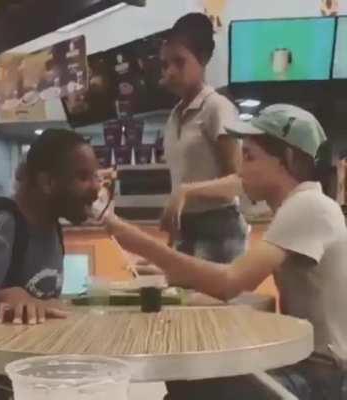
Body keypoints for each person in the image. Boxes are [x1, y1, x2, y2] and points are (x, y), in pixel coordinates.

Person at [106, 104, 347, 399]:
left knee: (190, 383)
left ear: (288, 159)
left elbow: (229, 282)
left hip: (318, 379)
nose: (241, 169)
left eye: (249, 156)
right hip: (307, 367)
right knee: (186, 382)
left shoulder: (307, 206)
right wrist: (172, 274)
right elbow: (242, 282)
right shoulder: (301, 206)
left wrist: (139, 241)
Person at [0, 129, 100, 398]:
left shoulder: (52, 227)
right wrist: (5, 297)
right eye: (83, 177)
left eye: (95, 176)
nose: (97, 187)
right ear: (48, 182)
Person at [160, 12, 247, 263]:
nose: (171, 72)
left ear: (204, 58)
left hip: (220, 231)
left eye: (179, 62)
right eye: (165, 65)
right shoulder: (174, 116)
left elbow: (240, 181)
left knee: (210, 302)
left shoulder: (216, 108)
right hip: (186, 231)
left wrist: (185, 192)